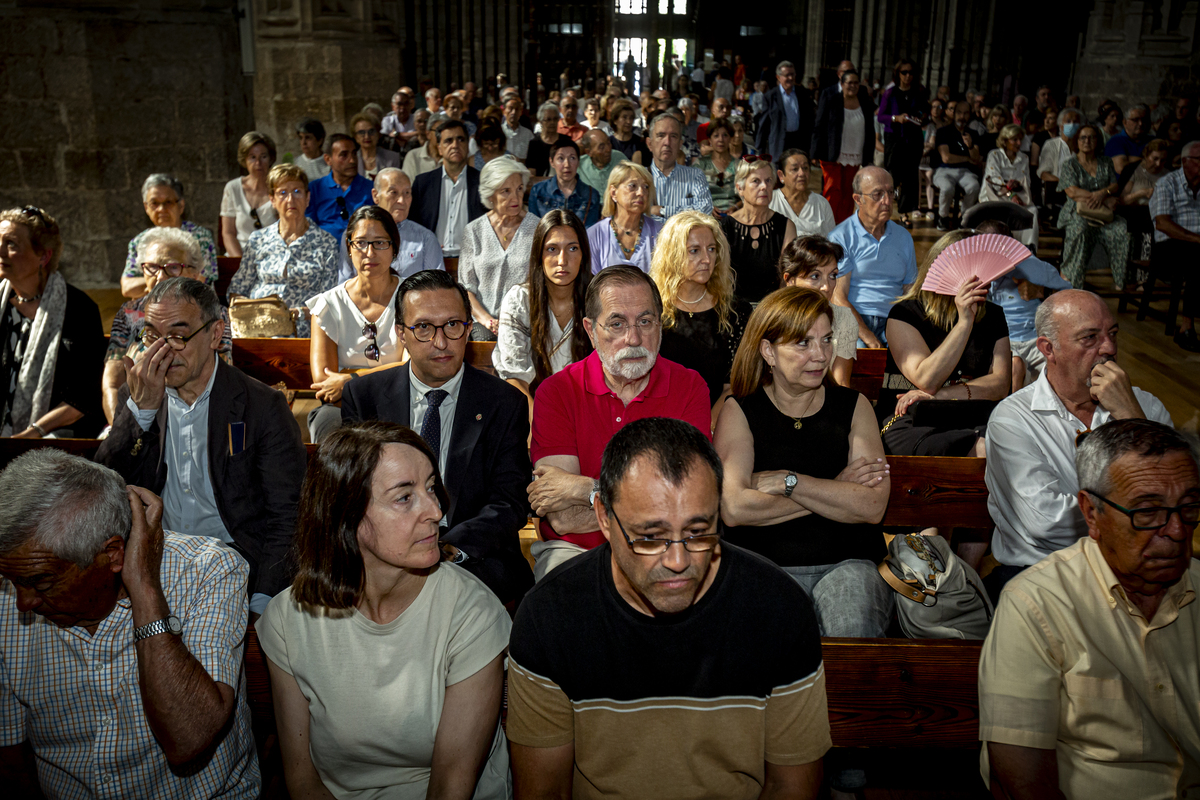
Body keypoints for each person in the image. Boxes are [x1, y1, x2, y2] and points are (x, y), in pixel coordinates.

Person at [507, 417, 831, 800]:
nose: (678, 560)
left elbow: (790, 787)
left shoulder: (779, 608)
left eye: (698, 532)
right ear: (604, 519)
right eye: (650, 537)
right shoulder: (550, 616)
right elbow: (544, 792)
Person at [257, 422, 510, 800]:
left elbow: (451, 785)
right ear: (347, 515)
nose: (437, 511)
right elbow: (303, 780)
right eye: (404, 497)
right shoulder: (287, 620)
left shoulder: (470, 612)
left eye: (430, 488)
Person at [0, 450, 260, 799]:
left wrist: (145, 587)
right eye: (13, 581)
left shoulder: (206, 569)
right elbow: (9, 756)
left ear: (113, 554)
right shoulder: (7, 597)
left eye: (41, 582)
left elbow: (187, 739)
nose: (23, 602)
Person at [979, 419, 1200, 800]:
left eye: (1190, 508)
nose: (1177, 530)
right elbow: (1021, 778)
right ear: (1092, 514)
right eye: (1147, 512)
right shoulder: (1037, 605)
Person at [96, 277, 307, 614]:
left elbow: (288, 515)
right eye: (151, 335)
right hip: (155, 561)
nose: (163, 350)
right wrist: (141, 413)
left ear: (215, 334)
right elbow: (105, 490)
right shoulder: (137, 396)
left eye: (179, 336)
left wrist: (264, 598)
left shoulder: (261, 405)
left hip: (235, 563)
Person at [341, 270, 535, 605]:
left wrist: (449, 549)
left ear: (469, 329)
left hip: (473, 554)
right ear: (401, 333)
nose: (441, 342)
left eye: (452, 326)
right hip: (385, 549)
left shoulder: (504, 403)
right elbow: (353, 494)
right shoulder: (364, 397)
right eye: (424, 328)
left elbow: (510, 501)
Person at [714, 286, 892, 637]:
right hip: (765, 564)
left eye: (827, 340)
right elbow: (735, 507)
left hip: (847, 563)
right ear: (768, 351)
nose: (821, 355)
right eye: (802, 343)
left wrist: (788, 482)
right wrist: (837, 489)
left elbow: (871, 505)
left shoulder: (853, 406)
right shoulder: (741, 409)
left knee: (852, 627)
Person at [983, 289, 1173, 598]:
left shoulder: (1145, 408)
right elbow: (1046, 524)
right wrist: (1140, 517)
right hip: (1043, 577)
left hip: (1137, 572)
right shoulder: (1013, 420)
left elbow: (1174, 496)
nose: (1109, 348)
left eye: (1112, 333)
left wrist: (1129, 420)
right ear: (1049, 349)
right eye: (1090, 338)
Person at [526, 266, 711, 581]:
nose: (634, 338)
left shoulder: (689, 387)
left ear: (660, 325)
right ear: (590, 329)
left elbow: (688, 502)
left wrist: (586, 488)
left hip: (667, 548)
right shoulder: (557, 392)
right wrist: (650, 509)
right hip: (575, 552)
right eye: (616, 323)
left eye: (645, 321)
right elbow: (562, 518)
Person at [878, 229, 1011, 457]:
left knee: (1005, 442)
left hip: (972, 414)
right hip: (908, 418)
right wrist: (964, 323)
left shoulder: (994, 315)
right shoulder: (905, 314)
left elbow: (1000, 383)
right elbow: (927, 380)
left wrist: (939, 397)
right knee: (977, 447)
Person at [104, 227, 234, 425]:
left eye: (172, 267)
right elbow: (111, 383)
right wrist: (122, 428)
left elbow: (221, 376)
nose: (160, 277)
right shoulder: (129, 313)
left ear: (195, 274)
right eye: (152, 267)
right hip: (133, 416)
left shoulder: (213, 314)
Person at [0, 206, 104, 438]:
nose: (0, 251)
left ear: (43, 256)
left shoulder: (79, 309)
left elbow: (83, 396)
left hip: (55, 434)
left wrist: (33, 432)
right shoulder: (3, 304)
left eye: (11, 244)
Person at [305, 206, 407, 443]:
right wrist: (388, 375)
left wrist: (351, 379)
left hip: (400, 401)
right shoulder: (328, 304)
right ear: (349, 248)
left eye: (380, 242)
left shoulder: (412, 297)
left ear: (394, 248)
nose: (369, 253)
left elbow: (412, 368)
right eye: (360, 243)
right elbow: (325, 384)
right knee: (328, 424)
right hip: (342, 408)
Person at [494, 209, 594, 417]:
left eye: (572, 248)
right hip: (532, 408)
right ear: (538, 254)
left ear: (583, 253)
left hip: (588, 409)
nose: (562, 260)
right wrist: (541, 425)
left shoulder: (598, 298)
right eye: (552, 249)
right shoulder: (519, 300)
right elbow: (516, 379)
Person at [652, 210, 751, 415]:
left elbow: (734, 384)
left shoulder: (735, 312)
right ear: (673, 255)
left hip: (717, 422)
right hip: (660, 420)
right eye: (694, 250)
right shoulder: (652, 311)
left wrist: (709, 425)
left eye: (712, 249)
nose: (706, 259)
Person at [230, 163, 340, 337]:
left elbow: (330, 301)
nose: (290, 200)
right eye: (282, 193)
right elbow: (238, 289)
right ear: (272, 200)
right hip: (257, 330)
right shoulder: (258, 240)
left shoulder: (326, 244)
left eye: (297, 192)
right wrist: (253, 312)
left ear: (307, 198)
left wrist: (297, 314)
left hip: (303, 330)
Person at [975, 219, 1071, 392]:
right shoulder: (975, 269)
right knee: (1011, 367)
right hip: (1001, 341)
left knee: (1063, 372)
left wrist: (1042, 291)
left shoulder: (1032, 266)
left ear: (1010, 246)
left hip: (1036, 337)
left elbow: (1070, 297)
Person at [829, 165, 918, 347]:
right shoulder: (841, 236)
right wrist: (870, 338)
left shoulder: (903, 237)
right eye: (877, 194)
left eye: (891, 192)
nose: (887, 201)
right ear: (858, 199)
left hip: (894, 319)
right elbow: (838, 296)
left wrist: (908, 325)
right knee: (857, 356)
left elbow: (910, 290)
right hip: (855, 317)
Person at [459, 156, 538, 341]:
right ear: (490, 195)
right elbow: (466, 289)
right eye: (506, 191)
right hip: (484, 323)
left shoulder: (537, 228)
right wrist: (486, 319)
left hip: (526, 321)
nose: (515, 198)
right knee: (484, 340)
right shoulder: (474, 231)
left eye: (519, 189)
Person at [334, 167, 444, 284]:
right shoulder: (355, 235)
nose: (402, 200)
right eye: (394, 192)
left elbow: (437, 286)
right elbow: (344, 282)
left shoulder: (425, 238)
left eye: (407, 193)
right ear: (376, 195)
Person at [120, 174, 218, 298]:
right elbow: (127, 288)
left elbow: (197, 283)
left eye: (168, 202)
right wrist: (170, 278)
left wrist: (151, 283)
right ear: (146, 207)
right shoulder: (140, 241)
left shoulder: (200, 237)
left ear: (181, 206)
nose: (161, 209)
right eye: (154, 203)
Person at [1057, 124, 1129, 289]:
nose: (1087, 141)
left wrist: (1103, 193)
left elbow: (1114, 186)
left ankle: (1121, 281)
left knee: (1122, 229)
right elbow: (1072, 192)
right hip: (1077, 211)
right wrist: (1101, 198)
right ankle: (1071, 281)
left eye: (1092, 137)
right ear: (1077, 141)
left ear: (1098, 140)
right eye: (1083, 137)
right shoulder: (1070, 164)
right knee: (1080, 229)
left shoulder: (1105, 162)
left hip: (1102, 213)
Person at [410, 119, 487, 272]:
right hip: (432, 262)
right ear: (439, 148)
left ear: (467, 145)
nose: (455, 145)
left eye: (460, 139)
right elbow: (412, 225)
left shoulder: (483, 182)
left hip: (474, 263)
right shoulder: (423, 183)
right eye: (448, 141)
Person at [779, 235, 857, 386]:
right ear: (789, 280)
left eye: (832, 275)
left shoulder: (843, 319)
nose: (827, 287)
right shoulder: (772, 318)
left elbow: (840, 383)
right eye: (815, 276)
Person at [718, 157, 797, 302]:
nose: (764, 187)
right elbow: (721, 278)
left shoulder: (785, 226)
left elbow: (787, 278)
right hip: (733, 308)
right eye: (756, 181)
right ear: (740, 188)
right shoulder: (725, 227)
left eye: (768, 181)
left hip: (772, 309)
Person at [1150, 140, 1200, 351]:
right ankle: (1186, 327)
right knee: (1197, 260)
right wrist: (1196, 239)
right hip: (1170, 246)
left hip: (1196, 245)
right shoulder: (1167, 183)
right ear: (1185, 161)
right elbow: (1162, 223)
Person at [811, 70, 876, 222]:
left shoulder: (864, 101)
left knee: (848, 194)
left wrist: (869, 156)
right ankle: (827, 226)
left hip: (855, 154)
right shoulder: (832, 99)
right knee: (833, 192)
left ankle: (842, 227)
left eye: (856, 83)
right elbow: (819, 125)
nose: (853, 86)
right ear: (842, 84)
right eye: (849, 83)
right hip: (832, 154)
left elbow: (870, 130)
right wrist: (814, 152)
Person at [586, 161, 663, 274]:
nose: (641, 192)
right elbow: (592, 284)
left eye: (646, 187)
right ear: (613, 193)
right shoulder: (595, 235)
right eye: (633, 186)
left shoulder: (660, 232)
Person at [877, 58, 928, 226]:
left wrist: (918, 117)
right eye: (904, 72)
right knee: (892, 175)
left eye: (911, 72)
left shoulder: (919, 92)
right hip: (895, 138)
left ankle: (904, 213)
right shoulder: (890, 93)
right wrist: (895, 118)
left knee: (910, 176)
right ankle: (884, 210)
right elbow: (881, 116)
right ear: (897, 73)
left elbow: (924, 111)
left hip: (913, 139)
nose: (907, 76)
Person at [979, 123, 1039, 248]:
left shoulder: (1024, 158)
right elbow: (994, 179)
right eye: (1014, 140)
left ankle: (1029, 248)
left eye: (1020, 140)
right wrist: (1009, 193)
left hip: (1017, 196)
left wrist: (1016, 185)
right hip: (996, 195)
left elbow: (1026, 180)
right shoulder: (995, 155)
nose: (1018, 143)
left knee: (1032, 211)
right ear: (1005, 141)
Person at [220, 131, 279, 258]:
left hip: (273, 257)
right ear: (244, 160)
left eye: (263, 156)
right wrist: (241, 263)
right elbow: (228, 233)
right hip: (239, 257)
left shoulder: (279, 188)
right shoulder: (233, 188)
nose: (258, 163)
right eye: (252, 157)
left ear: (270, 158)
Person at [307, 133, 374, 243]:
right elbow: (307, 228)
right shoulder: (315, 189)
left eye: (354, 154)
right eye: (344, 155)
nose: (352, 160)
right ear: (328, 159)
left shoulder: (371, 189)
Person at [646, 112, 714, 216]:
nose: (667, 142)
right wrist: (686, 211)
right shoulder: (638, 177)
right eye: (661, 135)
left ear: (680, 144)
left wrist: (661, 211)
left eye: (673, 136)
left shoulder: (695, 176)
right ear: (649, 144)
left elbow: (706, 209)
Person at [529, 138, 603, 227]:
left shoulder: (591, 195)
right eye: (561, 158)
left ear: (578, 162)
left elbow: (590, 232)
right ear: (552, 162)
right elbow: (533, 229)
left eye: (572, 158)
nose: (567, 165)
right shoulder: (538, 191)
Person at [933, 100, 983, 230]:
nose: (962, 116)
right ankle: (943, 217)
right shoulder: (943, 132)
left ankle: (964, 218)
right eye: (959, 113)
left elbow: (976, 159)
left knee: (974, 186)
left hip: (966, 171)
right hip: (944, 170)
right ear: (954, 114)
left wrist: (971, 146)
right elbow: (946, 158)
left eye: (966, 113)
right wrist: (967, 157)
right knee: (947, 188)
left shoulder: (973, 134)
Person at [755, 60, 814, 167]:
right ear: (778, 77)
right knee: (778, 178)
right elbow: (763, 126)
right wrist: (760, 150)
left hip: (798, 144)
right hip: (779, 145)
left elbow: (810, 122)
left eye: (792, 74)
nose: (790, 78)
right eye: (787, 75)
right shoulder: (770, 96)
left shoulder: (803, 94)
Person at [770, 148, 836, 236]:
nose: (802, 173)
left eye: (805, 168)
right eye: (795, 169)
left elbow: (832, 241)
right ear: (781, 175)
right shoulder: (770, 201)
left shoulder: (821, 204)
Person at [1038, 108, 1083, 213]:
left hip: (1080, 194)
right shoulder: (1052, 144)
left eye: (1075, 122)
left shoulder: (1083, 147)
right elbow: (1044, 173)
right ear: (1060, 125)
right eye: (1068, 121)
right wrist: (1065, 184)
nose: (1072, 125)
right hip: (1057, 193)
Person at [694, 118, 740, 213]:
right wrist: (707, 207)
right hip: (705, 216)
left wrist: (735, 208)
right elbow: (691, 195)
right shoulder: (700, 165)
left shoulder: (739, 166)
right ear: (709, 139)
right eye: (716, 136)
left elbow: (748, 195)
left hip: (735, 215)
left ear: (731, 138)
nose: (721, 140)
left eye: (725, 135)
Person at [351, 111, 401, 181]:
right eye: (361, 132)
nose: (367, 136)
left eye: (371, 131)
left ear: (378, 134)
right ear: (355, 137)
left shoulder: (392, 158)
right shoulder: (351, 160)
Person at [577, 128, 627, 195]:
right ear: (589, 152)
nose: (608, 149)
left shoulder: (619, 158)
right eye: (601, 147)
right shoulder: (579, 165)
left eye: (608, 143)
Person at [1104, 103, 1150, 174]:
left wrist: (1129, 159)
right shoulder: (1115, 141)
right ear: (1125, 122)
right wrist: (1149, 161)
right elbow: (1121, 168)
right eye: (1135, 120)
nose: (1140, 123)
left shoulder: (1152, 140)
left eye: (1143, 120)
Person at [526, 101, 564, 177]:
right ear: (540, 121)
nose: (552, 122)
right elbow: (532, 170)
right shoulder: (534, 144)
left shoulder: (565, 141)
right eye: (548, 119)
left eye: (555, 119)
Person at [401, 109, 441, 180]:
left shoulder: (453, 158)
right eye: (438, 131)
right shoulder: (413, 156)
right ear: (428, 133)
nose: (442, 136)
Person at [609, 99, 650, 166]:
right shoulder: (609, 143)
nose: (628, 121)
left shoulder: (639, 142)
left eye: (631, 118)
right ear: (615, 120)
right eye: (624, 117)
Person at [293, 117, 331, 181]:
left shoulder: (329, 163)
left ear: (319, 140)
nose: (303, 142)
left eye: (308, 138)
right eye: (301, 138)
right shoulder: (295, 164)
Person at [501, 96, 535, 162]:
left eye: (516, 109)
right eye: (510, 108)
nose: (513, 112)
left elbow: (533, 156)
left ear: (521, 112)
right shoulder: (499, 131)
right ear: (504, 111)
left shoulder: (528, 134)